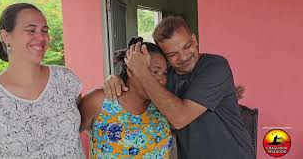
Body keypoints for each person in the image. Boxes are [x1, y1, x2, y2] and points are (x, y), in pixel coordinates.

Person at [104, 16, 255, 159]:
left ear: (194, 40)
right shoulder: (164, 77)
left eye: (187, 46)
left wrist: (142, 72)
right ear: (165, 57)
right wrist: (117, 78)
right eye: (172, 54)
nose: (183, 57)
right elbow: (139, 91)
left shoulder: (215, 66)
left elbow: (179, 118)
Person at [0, 3, 85, 158]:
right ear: (6, 36)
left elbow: (89, 118)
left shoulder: (64, 79)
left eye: (44, 31)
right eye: (31, 30)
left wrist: (112, 83)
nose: (41, 37)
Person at [79, 37, 173, 158]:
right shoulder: (99, 101)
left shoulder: (163, 104)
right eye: (155, 72)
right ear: (130, 70)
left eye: (165, 73)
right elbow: (67, 136)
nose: (162, 80)